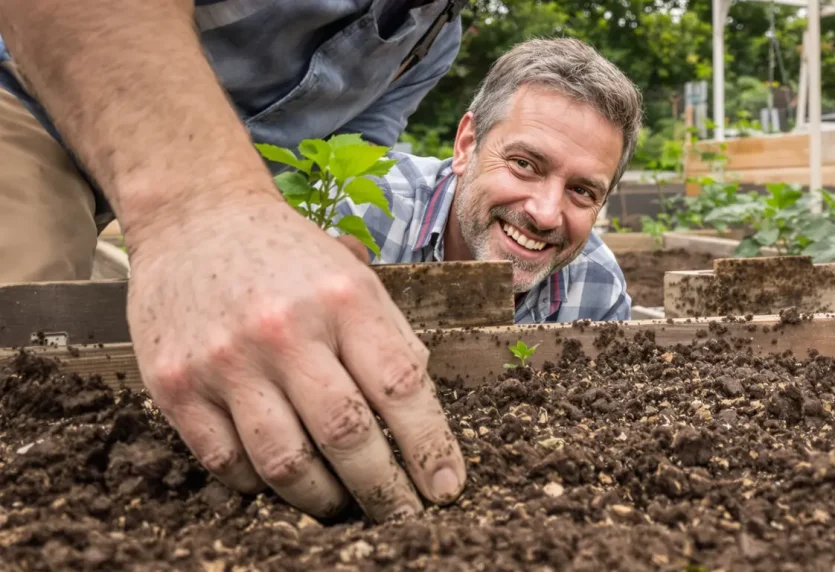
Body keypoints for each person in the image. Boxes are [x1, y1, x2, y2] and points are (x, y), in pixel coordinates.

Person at [0, 1, 469, 523]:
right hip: (33, 91)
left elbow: (346, 151)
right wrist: (201, 205)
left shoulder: (434, 39)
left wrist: (304, 248)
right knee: (23, 361)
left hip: (228, 196)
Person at [334, 38, 641, 324]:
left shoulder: (597, 291)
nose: (545, 215)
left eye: (581, 191)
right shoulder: (359, 210)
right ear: (467, 144)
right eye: (524, 165)